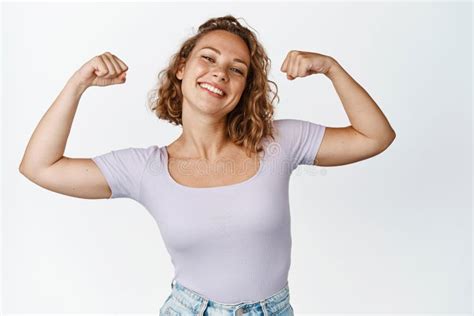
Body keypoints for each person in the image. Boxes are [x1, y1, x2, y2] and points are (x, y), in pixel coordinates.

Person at [19, 15, 396, 316]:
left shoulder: (279, 143)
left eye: (237, 69)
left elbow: (374, 136)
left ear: (244, 89)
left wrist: (331, 68)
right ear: (182, 68)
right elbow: (40, 166)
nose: (220, 73)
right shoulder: (145, 168)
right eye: (209, 58)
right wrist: (78, 83)